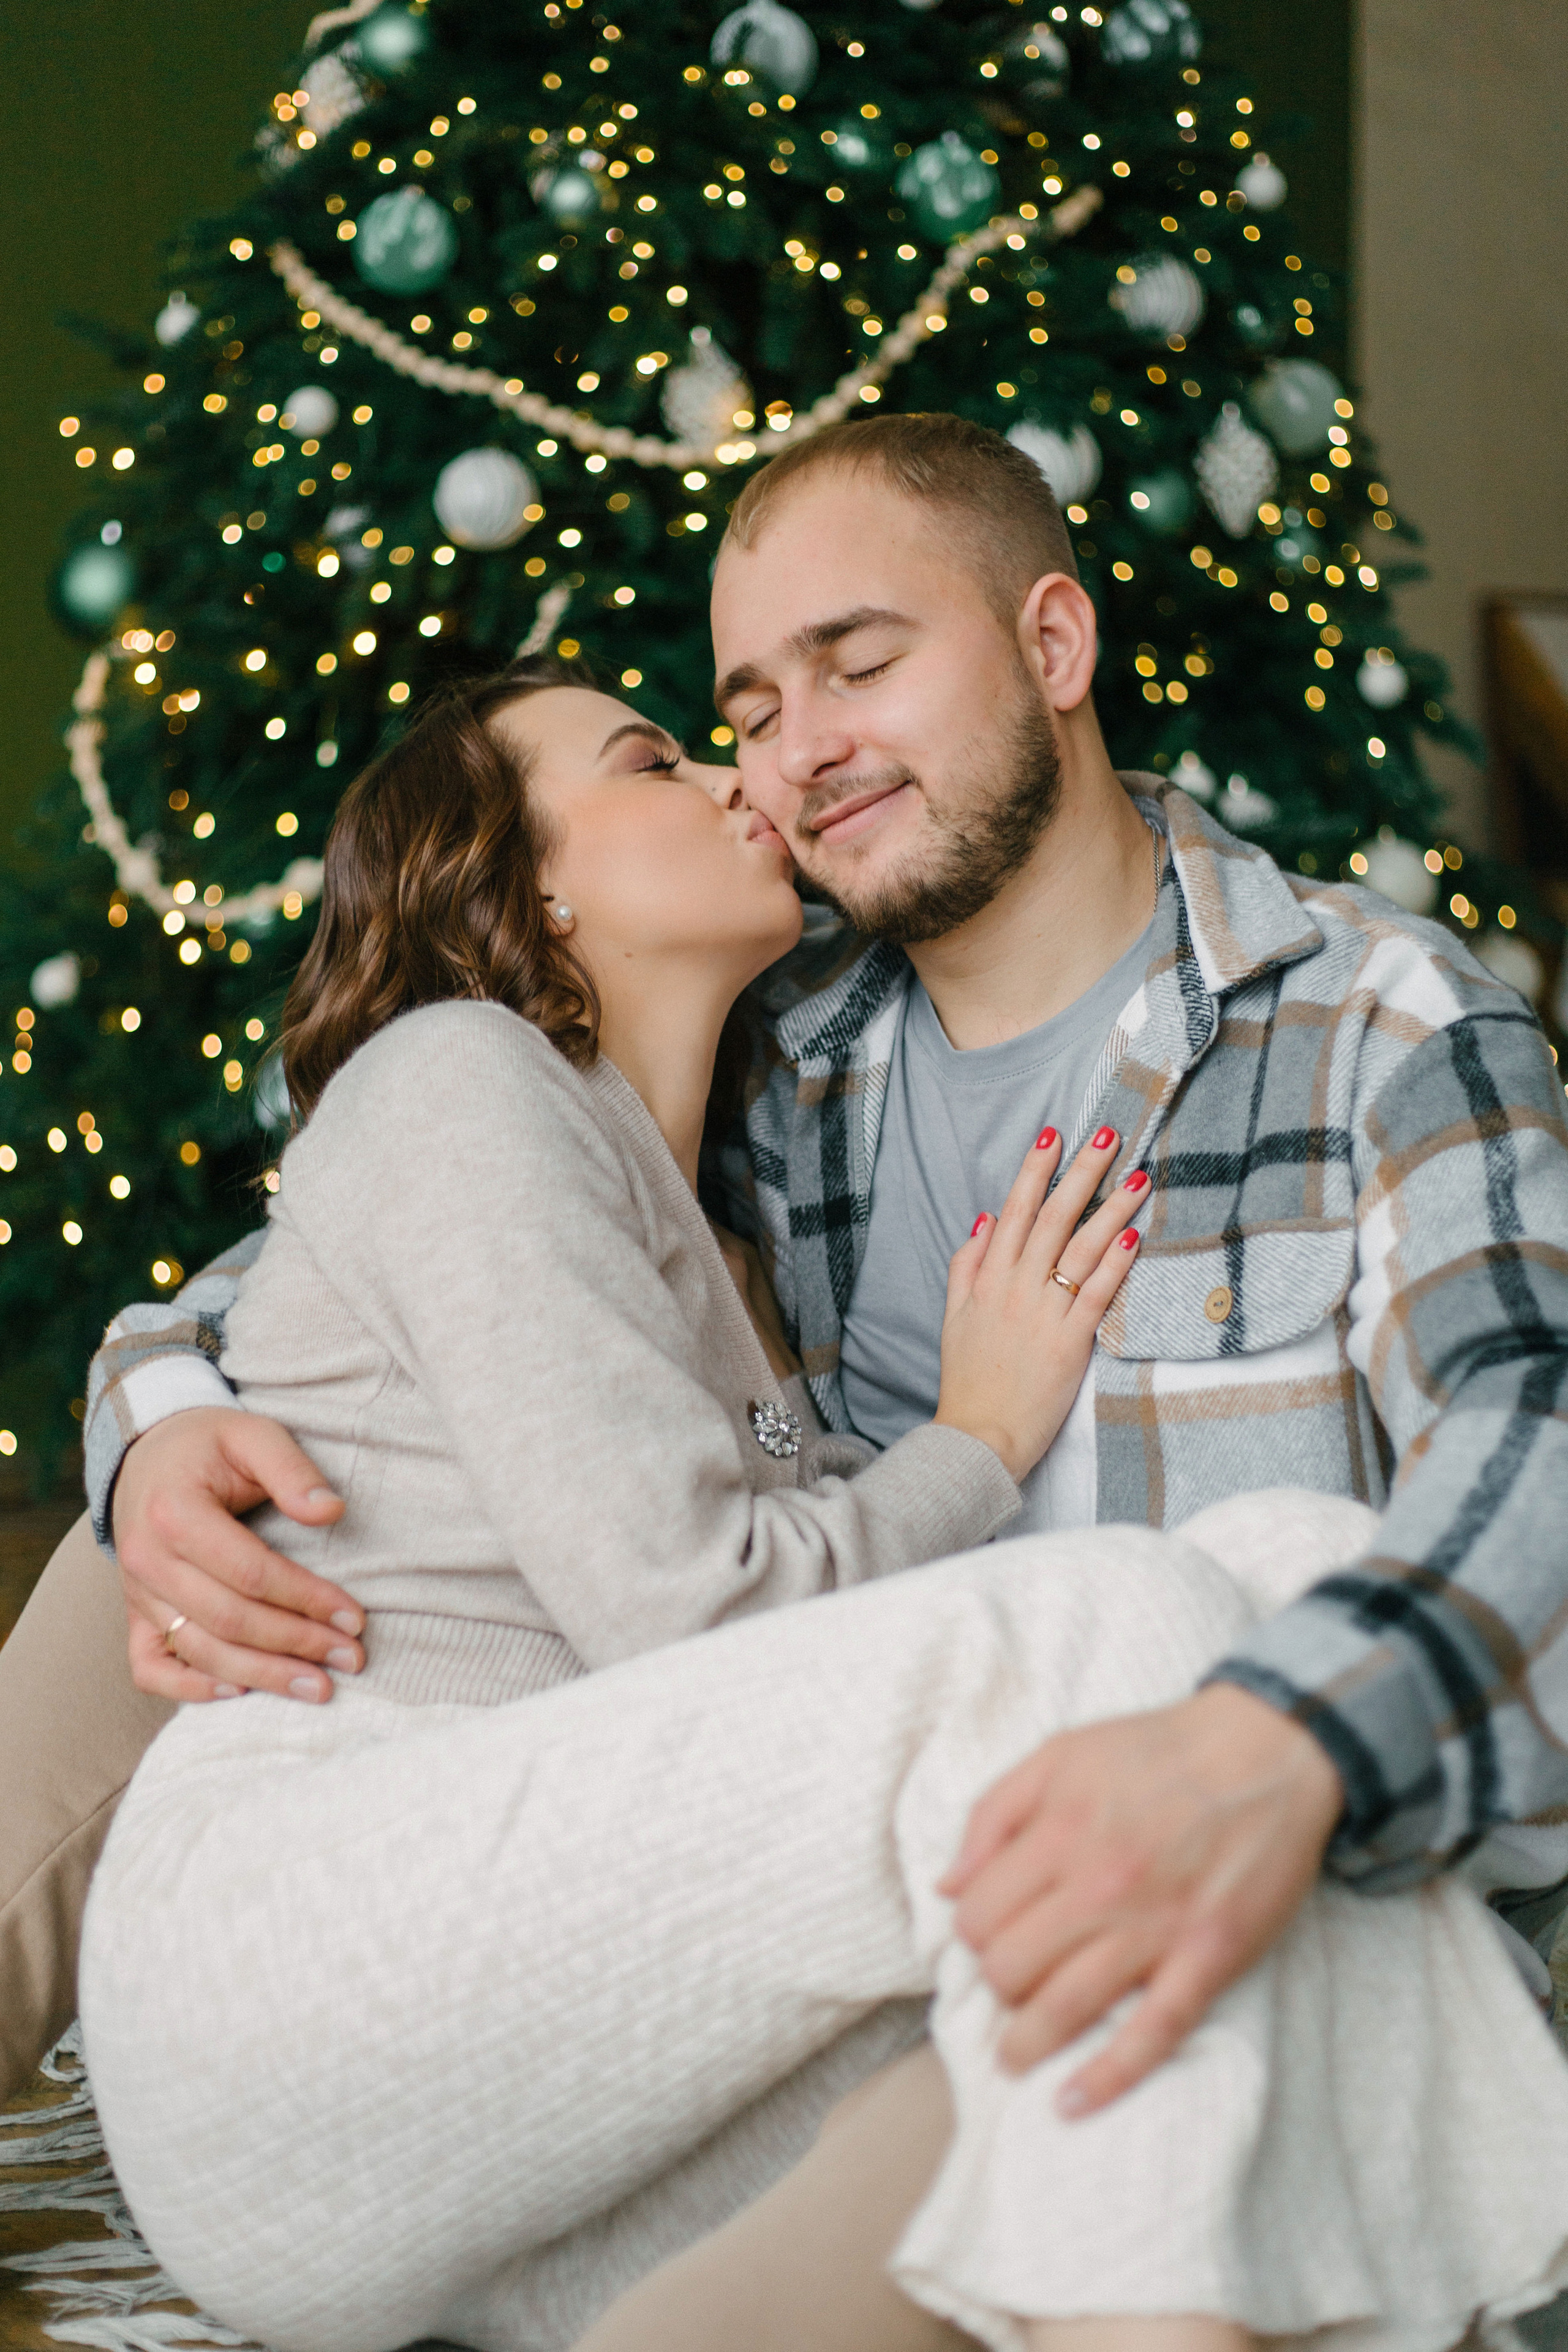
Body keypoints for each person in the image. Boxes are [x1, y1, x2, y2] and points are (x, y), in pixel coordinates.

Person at [72, 656, 1568, 2352]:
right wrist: (981, 1437)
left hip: (575, 2042)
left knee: (1287, 1598)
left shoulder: (718, 1240)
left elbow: (786, 1582)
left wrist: (911, 1460)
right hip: (301, 1960)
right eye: (651, 760)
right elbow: (702, 1608)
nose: (735, 775)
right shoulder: (458, 1078)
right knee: (1126, 1622)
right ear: (524, 883)